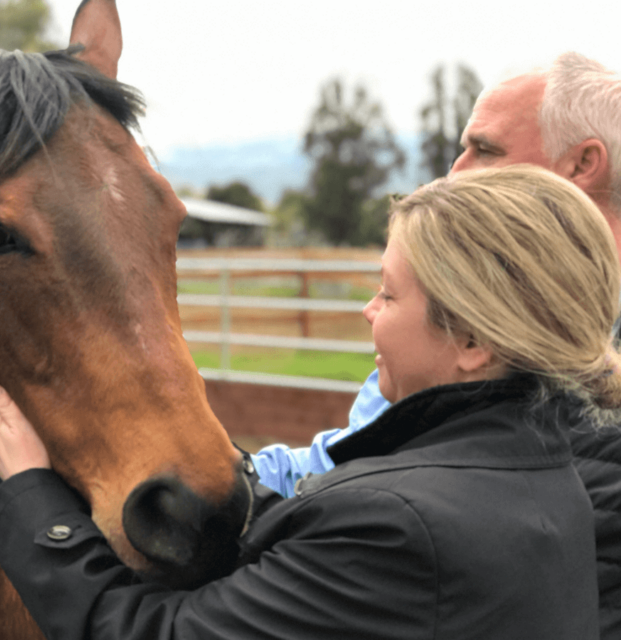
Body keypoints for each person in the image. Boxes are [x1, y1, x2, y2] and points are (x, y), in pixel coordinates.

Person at [0, 165, 610, 639]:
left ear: (472, 339)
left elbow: (138, 632)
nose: (368, 312)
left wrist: (30, 487)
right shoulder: (543, 476)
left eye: (388, 295)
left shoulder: (399, 527)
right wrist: (190, 456)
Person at [253, 51, 621, 636]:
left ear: (583, 163)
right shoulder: (452, 333)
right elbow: (340, 460)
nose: (456, 170)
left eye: (487, 150)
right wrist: (223, 477)